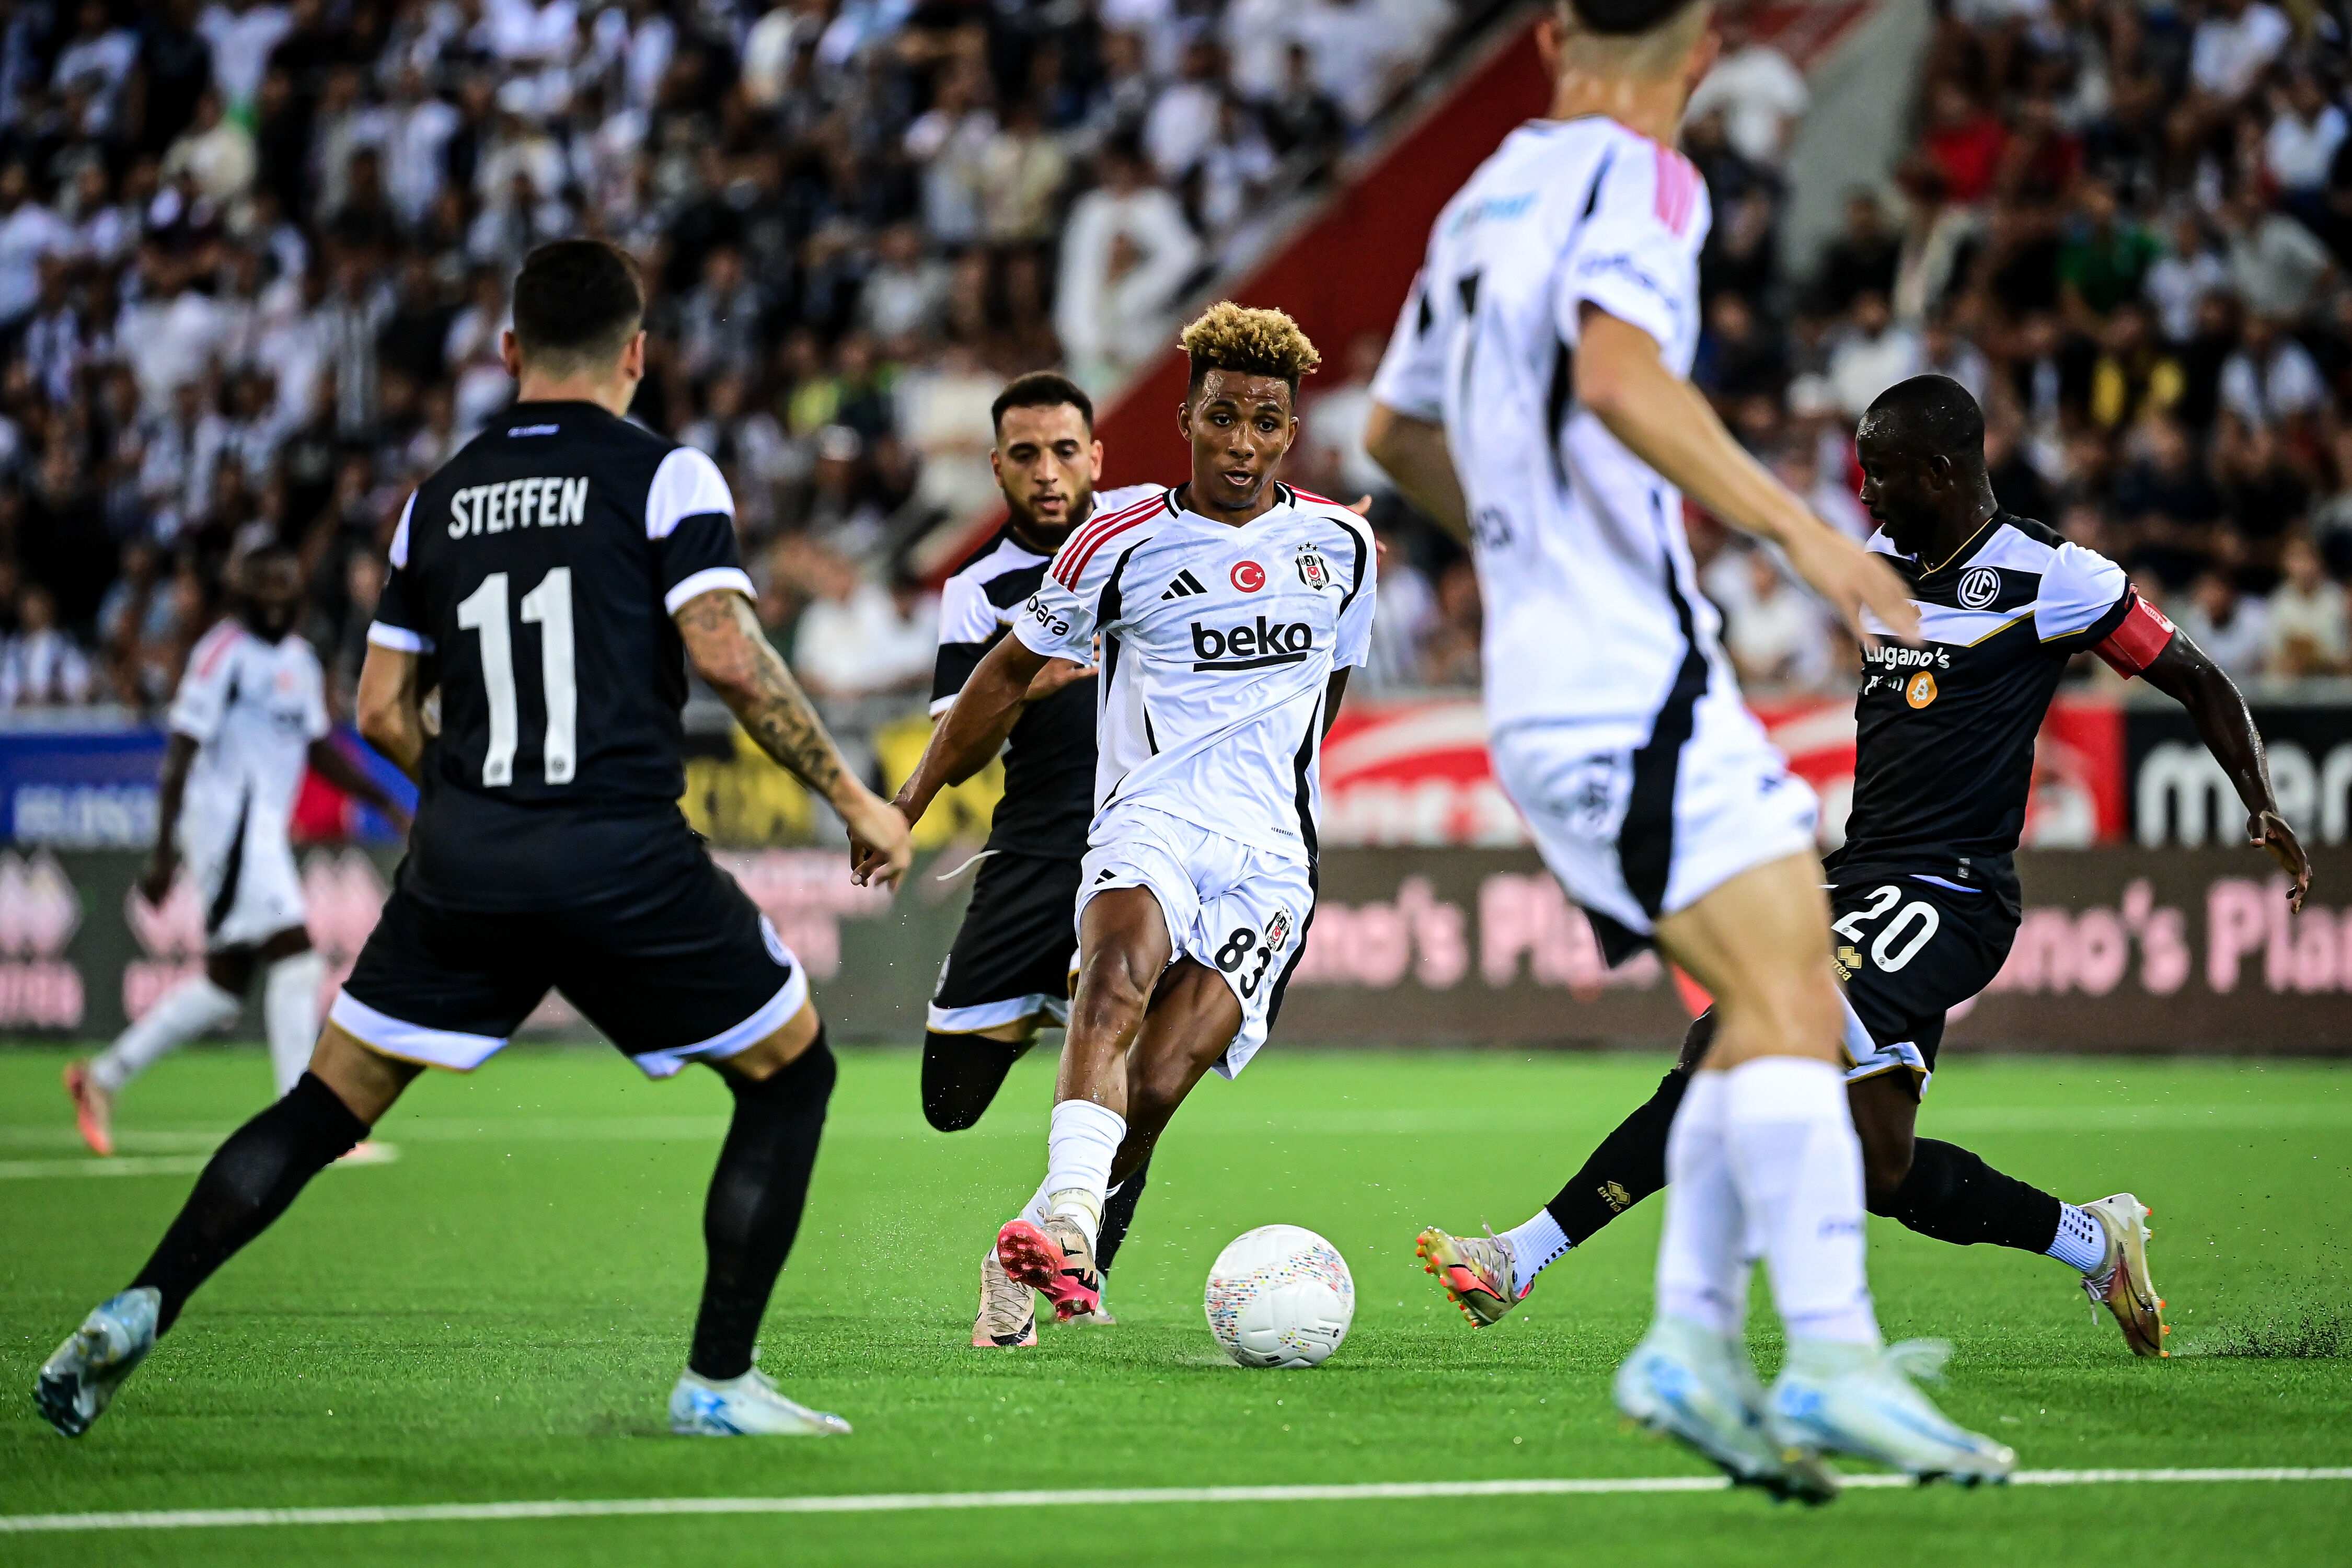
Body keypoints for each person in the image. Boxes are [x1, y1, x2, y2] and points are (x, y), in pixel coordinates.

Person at [35, 240, 915, 1442]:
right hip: (618, 852)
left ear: (508, 352)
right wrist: (856, 799)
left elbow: (380, 711)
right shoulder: (669, 476)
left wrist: (472, 797)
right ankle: (717, 1378)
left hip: (464, 859)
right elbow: (728, 655)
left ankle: (140, 1299)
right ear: (637, 354)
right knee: (791, 1072)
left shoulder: (436, 498)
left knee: (324, 1103)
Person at [1363, 0, 2006, 1498]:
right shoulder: (1646, 178)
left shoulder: (1478, 198)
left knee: (1782, 998)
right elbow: (1615, 375)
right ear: (1704, 49)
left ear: (1548, 34)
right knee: (1790, 999)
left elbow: (1394, 434)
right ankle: (1823, 1356)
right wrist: (1801, 536)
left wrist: (1528, 554)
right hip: (1627, 680)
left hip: (1568, 678)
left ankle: (1692, 1344)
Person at [1412, 373, 2314, 1361]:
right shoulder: (1878, 560)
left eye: (1882, 474)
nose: (1868, 495)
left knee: (1732, 1035)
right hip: (1860, 879)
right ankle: (2094, 1242)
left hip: (1954, 891)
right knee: (1883, 1171)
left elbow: (2196, 676)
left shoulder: (2053, 575)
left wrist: (2260, 797)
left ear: (1943, 471)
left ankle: (1520, 1256)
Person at [856, 303, 1372, 1339]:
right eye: (1222, 417)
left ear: (1291, 431)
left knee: (1164, 1079)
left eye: (1265, 423)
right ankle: (1074, 1235)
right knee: (1112, 985)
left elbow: (1331, 688)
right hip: (1151, 822)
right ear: (1185, 418)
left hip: (1270, 860)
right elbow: (1003, 676)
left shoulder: (1344, 545)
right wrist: (906, 803)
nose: (1242, 444)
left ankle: (1031, 1242)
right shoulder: (1116, 541)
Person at [922, 371, 1161, 1346]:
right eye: (1026, 455)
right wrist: (1026, 682)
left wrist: (1326, 523)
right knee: (949, 1102)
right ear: (998, 468)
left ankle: (1063, 1268)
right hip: (1030, 854)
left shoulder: (1145, 531)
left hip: (1139, 844)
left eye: (1066, 451)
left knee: (1139, 1073)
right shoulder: (976, 590)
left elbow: (1250, 506)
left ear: (1097, 456)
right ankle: (1045, 1023)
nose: (1049, 472)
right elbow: (955, 745)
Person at [64, 548, 411, 1157]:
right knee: (298, 959)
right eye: (265, 590)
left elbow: (316, 747)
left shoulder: (300, 661)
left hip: (261, 834)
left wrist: (384, 800)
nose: (275, 601)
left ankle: (103, 1077)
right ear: (244, 595)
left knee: (225, 985)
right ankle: (303, 1124)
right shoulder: (221, 654)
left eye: (285, 590)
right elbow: (181, 752)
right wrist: (162, 854)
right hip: (224, 830)